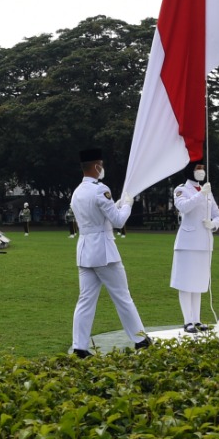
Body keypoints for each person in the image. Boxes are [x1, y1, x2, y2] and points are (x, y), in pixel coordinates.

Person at [70, 148, 150, 358]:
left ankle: (79, 346)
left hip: (85, 249)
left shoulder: (78, 191)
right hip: (103, 251)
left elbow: (99, 215)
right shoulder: (100, 189)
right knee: (123, 297)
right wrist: (128, 205)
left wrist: (118, 204)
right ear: (97, 166)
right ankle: (141, 339)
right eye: (101, 165)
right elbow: (118, 220)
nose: (102, 168)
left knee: (85, 300)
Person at [171, 161, 219, 333]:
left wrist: (213, 224)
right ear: (190, 171)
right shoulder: (181, 190)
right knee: (186, 283)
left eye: (202, 168)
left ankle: (197, 320)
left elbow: (218, 215)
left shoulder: (206, 190)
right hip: (187, 242)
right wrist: (201, 195)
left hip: (204, 242)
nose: (201, 171)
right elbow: (183, 207)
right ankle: (187, 321)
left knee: (199, 283)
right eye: (197, 168)